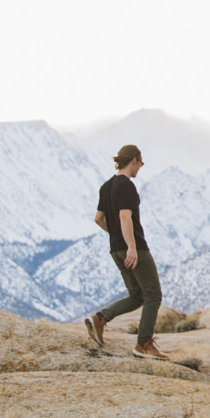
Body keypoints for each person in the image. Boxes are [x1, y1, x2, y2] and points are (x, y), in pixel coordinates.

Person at [85, 144, 169, 360]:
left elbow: (98, 219)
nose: (140, 168)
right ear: (133, 160)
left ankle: (100, 319)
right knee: (153, 295)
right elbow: (125, 216)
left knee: (136, 296)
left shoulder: (106, 187)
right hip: (135, 249)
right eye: (140, 163)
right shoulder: (127, 187)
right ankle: (144, 344)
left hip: (115, 250)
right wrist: (131, 246)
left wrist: (117, 239)